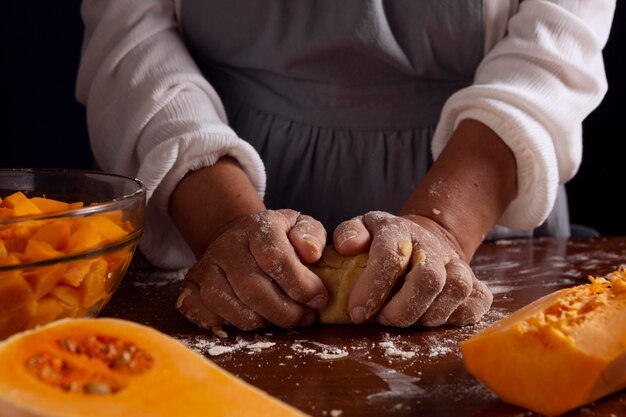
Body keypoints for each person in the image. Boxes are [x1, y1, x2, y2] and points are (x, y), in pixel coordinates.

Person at [76, 1, 616, 330]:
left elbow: (554, 48)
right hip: (206, 197)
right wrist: (223, 224)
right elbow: (130, 41)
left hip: (483, 204)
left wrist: (444, 225)